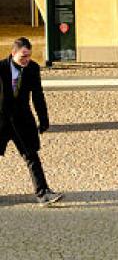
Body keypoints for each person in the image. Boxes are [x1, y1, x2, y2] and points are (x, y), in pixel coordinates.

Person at [1, 38, 62, 205]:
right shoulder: (1, 68)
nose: (26, 60)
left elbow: (38, 95)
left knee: (32, 157)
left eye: (29, 56)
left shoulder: (33, 68)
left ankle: (43, 193)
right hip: (2, 121)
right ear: (13, 53)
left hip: (22, 121)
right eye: (23, 56)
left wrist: (44, 119)